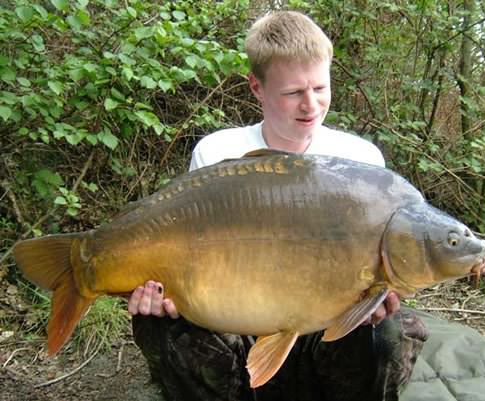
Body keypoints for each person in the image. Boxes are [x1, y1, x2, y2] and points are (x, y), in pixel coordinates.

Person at [128, 11, 428, 401]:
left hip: (327, 329)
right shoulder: (219, 153)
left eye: (320, 88)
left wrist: (377, 301)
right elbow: (188, 253)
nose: (311, 105)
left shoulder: (361, 161)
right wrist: (164, 294)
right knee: (156, 324)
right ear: (256, 86)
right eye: (293, 93)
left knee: (390, 330)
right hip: (236, 325)